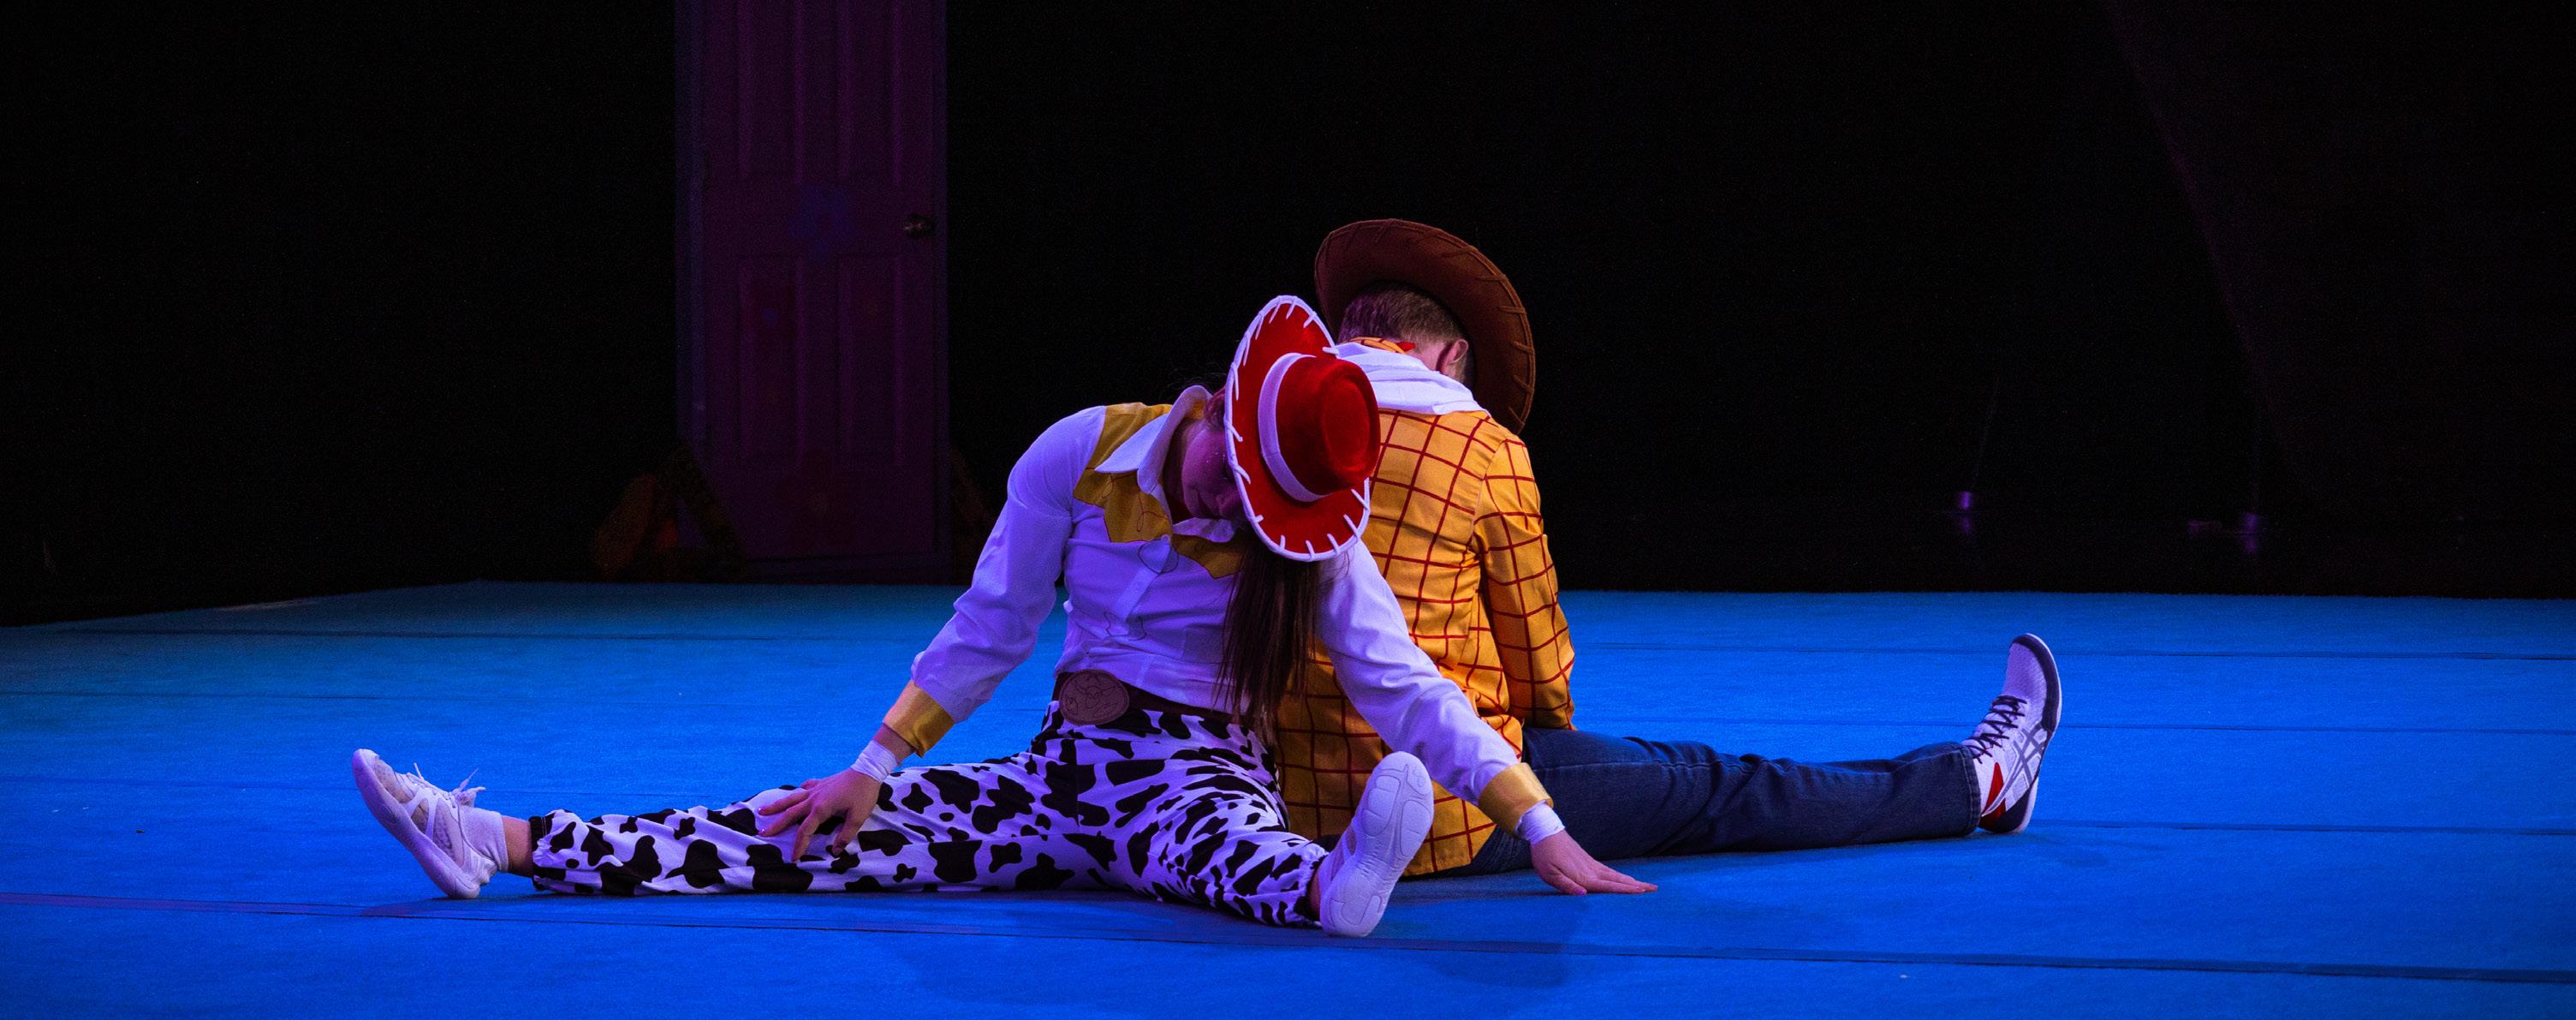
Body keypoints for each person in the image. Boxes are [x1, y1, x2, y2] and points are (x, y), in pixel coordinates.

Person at [349, 296, 1650, 936]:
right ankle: (496, 836)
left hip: (1194, 767)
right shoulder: (1077, 452)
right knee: (794, 830)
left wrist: (1535, 822)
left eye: (1260, 510)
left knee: (1210, 840)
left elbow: (1401, 680)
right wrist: (874, 765)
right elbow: (990, 627)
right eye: (1231, 482)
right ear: (1213, 410)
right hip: (1057, 776)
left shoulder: (1305, 540)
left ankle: (1323, 886)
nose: (1228, 512)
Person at [1274, 219, 2061, 878]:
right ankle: (1979, 781)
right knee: (1722, 784)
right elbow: (1533, 651)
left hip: (1287, 811)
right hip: (1456, 812)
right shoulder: (1478, 446)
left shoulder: (1263, 441)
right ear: (1450, 358)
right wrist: (1555, 747)